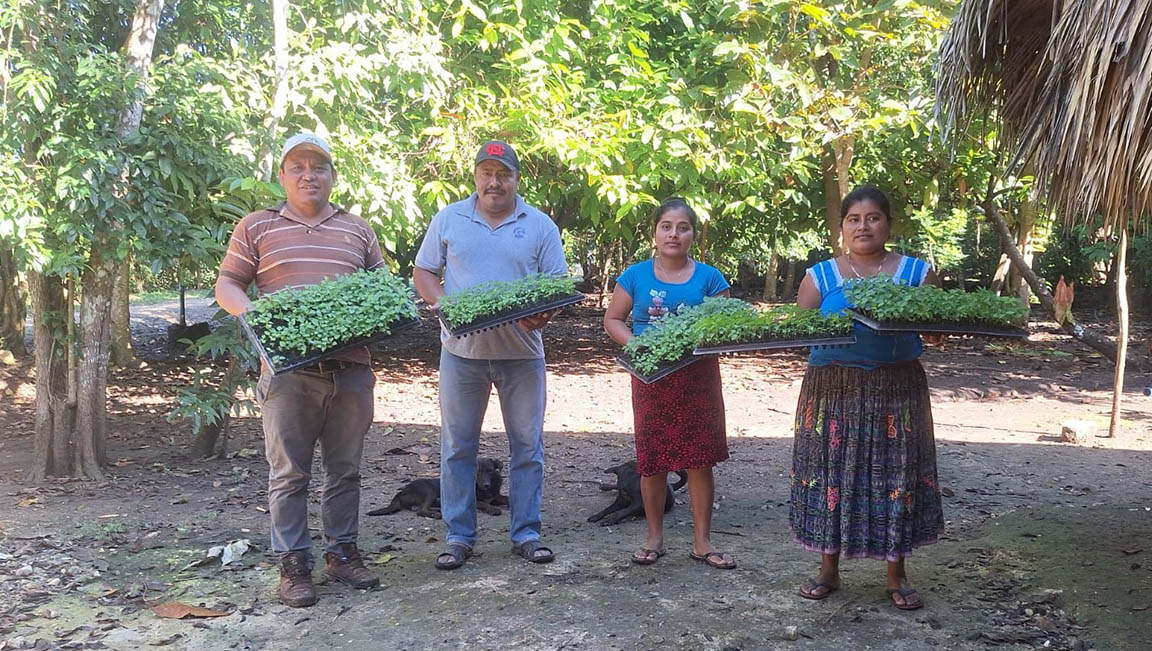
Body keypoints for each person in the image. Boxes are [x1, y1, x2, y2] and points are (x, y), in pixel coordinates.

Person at [215, 133, 384, 607]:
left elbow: (382, 290)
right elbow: (228, 284)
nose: (309, 175)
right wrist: (254, 315)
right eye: (298, 167)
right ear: (283, 176)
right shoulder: (257, 226)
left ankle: (342, 554)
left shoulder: (358, 229)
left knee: (345, 470)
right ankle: (293, 565)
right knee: (289, 474)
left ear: (333, 175)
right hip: (288, 374)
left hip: (351, 370)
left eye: (319, 167)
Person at [412, 140, 568, 570]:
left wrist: (544, 313)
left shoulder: (539, 225)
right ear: (476, 176)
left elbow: (556, 285)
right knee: (457, 448)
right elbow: (424, 271)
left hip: (522, 355)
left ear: (517, 179)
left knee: (528, 447)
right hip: (461, 355)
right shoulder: (449, 218)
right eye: (487, 173)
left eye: (503, 174)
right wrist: (441, 303)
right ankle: (459, 536)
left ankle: (526, 533)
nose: (494, 182)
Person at [791, 185, 944, 610]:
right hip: (831, 389)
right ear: (841, 228)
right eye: (854, 219)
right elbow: (798, 330)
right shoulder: (820, 276)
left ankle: (897, 575)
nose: (863, 226)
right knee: (831, 474)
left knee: (897, 476)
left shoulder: (916, 273)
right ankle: (828, 569)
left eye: (873, 218)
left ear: (888, 224)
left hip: (897, 389)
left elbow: (937, 331)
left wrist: (927, 323)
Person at [603, 197, 735, 569]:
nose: (673, 234)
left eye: (683, 227)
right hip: (650, 378)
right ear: (655, 233)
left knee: (700, 460)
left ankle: (702, 542)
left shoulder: (711, 278)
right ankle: (654, 538)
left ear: (693, 234)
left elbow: (727, 324)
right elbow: (613, 320)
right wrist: (636, 344)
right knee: (653, 460)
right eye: (666, 227)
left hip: (698, 379)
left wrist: (704, 337)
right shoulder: (635, 275)